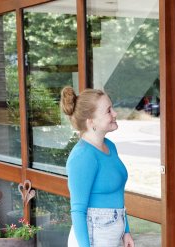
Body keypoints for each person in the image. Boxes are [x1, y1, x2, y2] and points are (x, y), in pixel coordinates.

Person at [60, 86, 134, 247]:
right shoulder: (82, 157)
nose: (115, 114)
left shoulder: (110, 146)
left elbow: (117, 193)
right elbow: (78, 211)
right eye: (108, 111)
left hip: (110, 235)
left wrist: (126, 230)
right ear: (91, 121)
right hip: (92, 239)